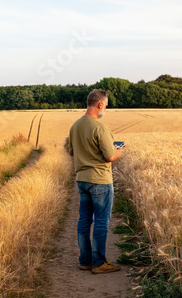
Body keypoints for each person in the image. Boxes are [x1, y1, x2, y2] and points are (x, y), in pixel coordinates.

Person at [68, 89, 125, 274]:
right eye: (106, 106)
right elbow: (109, 156)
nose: (105, 109)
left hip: (82, 180)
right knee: (101, 221)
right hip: (100, 180)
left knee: (84, 220)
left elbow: (71, 151)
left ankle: (85, 261)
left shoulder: (75, 126)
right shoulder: (100, 127)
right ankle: (99, 263)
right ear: (100, 104)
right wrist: (118, 152)